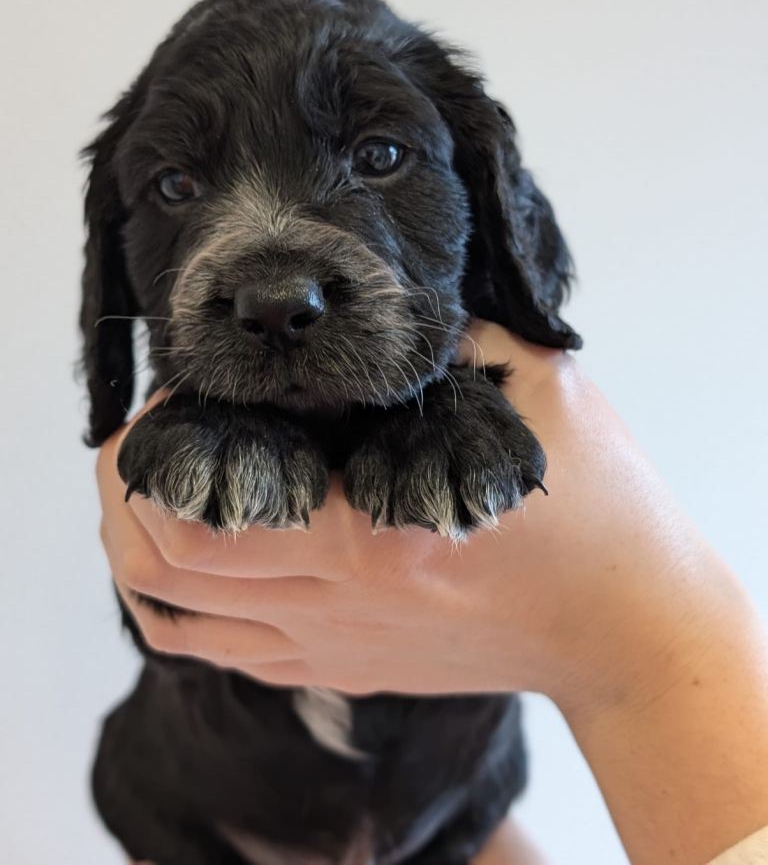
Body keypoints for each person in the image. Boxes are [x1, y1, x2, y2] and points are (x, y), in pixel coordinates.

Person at [97, 321, 768, 865]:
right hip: (189, 817)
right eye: (179, 185)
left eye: (382, 153)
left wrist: (641, 646)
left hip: (453, 814)